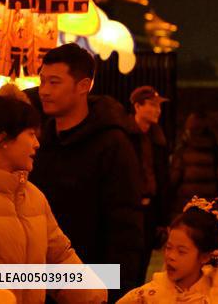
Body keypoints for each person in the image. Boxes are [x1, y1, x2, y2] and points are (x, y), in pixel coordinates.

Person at [0, 85, 106, 304]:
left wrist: (96, 295)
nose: (37, 144)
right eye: (30, 134)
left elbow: (60, 259)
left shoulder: (33, 197)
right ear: (2, 138)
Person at [29, 43, 144, 300]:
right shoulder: (39, 141)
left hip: (90, 281)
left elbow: (125, 226)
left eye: (54, 82)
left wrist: (114, 290)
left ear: (83, 86)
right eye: (42, 81)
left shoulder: (112, 143)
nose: (44, 91)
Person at [119, 198, 218, 304]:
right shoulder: (145, 296)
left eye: (181, 251)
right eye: (169, 247)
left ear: (204, 256)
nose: (171, 256)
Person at [128, 85, 172, 286]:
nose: (158, 111)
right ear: (137, 106)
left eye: (159, 106)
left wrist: (163, 217)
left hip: (151, 209)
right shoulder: (124, 136)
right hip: (130, 207)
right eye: (152, 105)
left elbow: (162, 178)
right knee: (128, 261)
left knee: (144, 259)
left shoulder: (158, 138)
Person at [170, 112, 218, 215]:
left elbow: (174, 179)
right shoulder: (215, 151)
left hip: (187, 203)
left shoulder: (182, 151)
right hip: (208, 204)